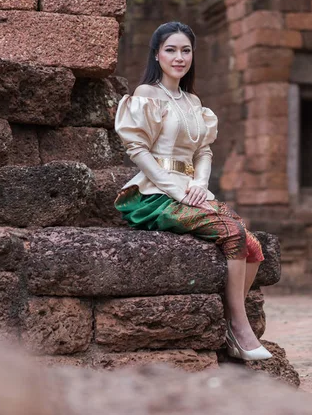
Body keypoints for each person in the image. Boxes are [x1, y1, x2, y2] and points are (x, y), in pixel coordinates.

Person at [113, 22, 272, 361]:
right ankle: (241, 329)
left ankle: (230, 323)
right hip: (154, 194)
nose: (179, 57)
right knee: (231, 231)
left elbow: (203, 153)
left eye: (185, 50)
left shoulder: (194, 101)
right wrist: (177, 190)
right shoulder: (146, 95)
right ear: (157, 54)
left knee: (252, 244)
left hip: (191, 189)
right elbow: (138, 150)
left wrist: (198, 185)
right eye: (171, 49)